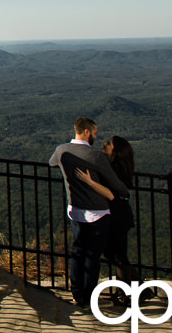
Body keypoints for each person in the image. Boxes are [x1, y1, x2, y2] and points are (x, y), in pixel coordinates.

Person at [49, 117, 129, 308]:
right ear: (86, 132)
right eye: (94, 133)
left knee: (78, 251)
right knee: (92, 255)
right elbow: (116, 184)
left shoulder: (61, 150)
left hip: (74, 211)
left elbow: (52, 163)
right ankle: (88, 294)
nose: (95, 136)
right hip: (97, 212)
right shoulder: (95, 157)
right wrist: (125, 193)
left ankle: (77, 293)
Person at [75, 135, 137, 304]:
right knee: (114, 253)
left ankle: (127, 294)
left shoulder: (115, 170)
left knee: (117, 255)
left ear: (116, 152)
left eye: (109, 144)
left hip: (117, 216)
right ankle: (135, 287)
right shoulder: (115, 168)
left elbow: (110, 193)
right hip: (117, 215)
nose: (104, 144)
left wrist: (89, 181)